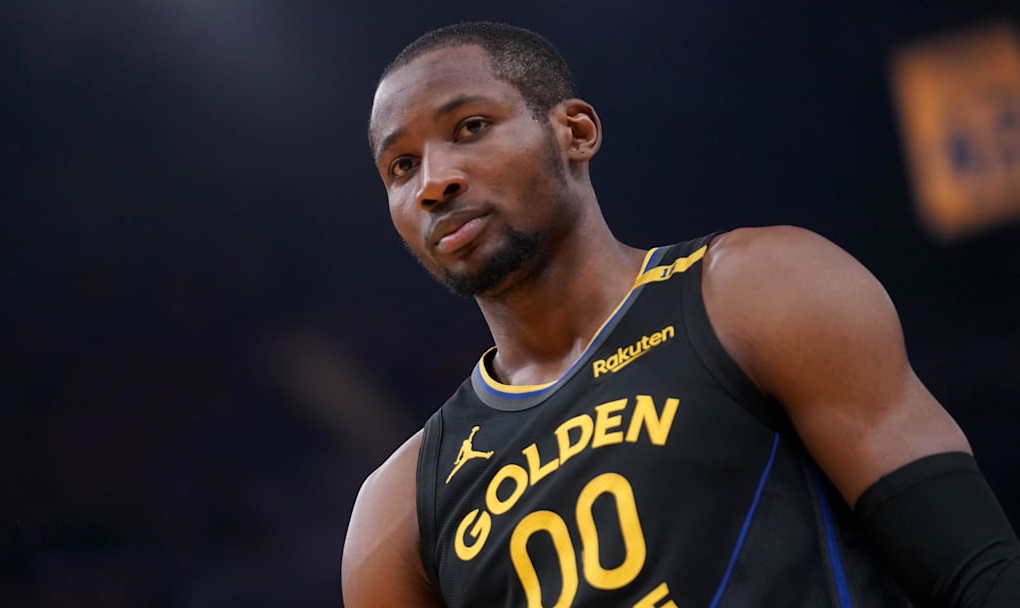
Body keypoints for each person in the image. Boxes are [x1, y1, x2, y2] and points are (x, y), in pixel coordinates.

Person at [342, 21, 1020, 607]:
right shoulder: (399, 509)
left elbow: (975, 571)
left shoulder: (754, 288)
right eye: (401, 167)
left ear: (574, 131)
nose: (434, 182)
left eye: (471, 128)